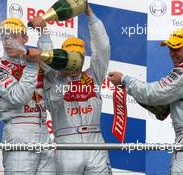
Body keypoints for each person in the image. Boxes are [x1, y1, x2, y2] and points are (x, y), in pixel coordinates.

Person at [108, 28, 183, 174]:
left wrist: (124, 80)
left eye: (177, 48)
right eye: (170, 48)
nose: (172, 53)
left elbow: (153, 93)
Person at [43, 5, 112, 175]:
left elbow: (103, 49)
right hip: (67, 144)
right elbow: (51, 104)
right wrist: (62, 76)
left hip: (95, 142)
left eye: (79, 56)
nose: (76, 61)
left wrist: (89, 13)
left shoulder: (93, 75)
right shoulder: (53, 77)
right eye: (71, 55)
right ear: (63, 56)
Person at [0, 17, 55, 175]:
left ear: (25, 38)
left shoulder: (33, 61)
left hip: (44, 133)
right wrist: (32, 64)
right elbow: (19, 97)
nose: (8, 41)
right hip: (18, 133)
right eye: (4, 37)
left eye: (14, 36)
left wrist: (44, 30)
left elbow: (49, 63)